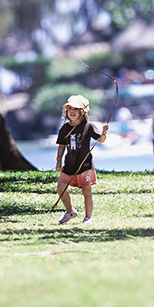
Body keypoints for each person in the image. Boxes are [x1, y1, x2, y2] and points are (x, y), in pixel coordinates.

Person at [54, 95, 108, 224]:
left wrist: (104, 132)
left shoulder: (88, 126)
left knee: (86, 191)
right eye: (70, 108)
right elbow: (61, 145)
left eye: (76, 109)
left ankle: (88, 217)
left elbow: (100, 140)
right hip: (69, 165)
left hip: (85, 165)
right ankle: (70, 211)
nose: (72, 111)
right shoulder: (64, 128)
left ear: (82, 112)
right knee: (60, 188)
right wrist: (59, 160)